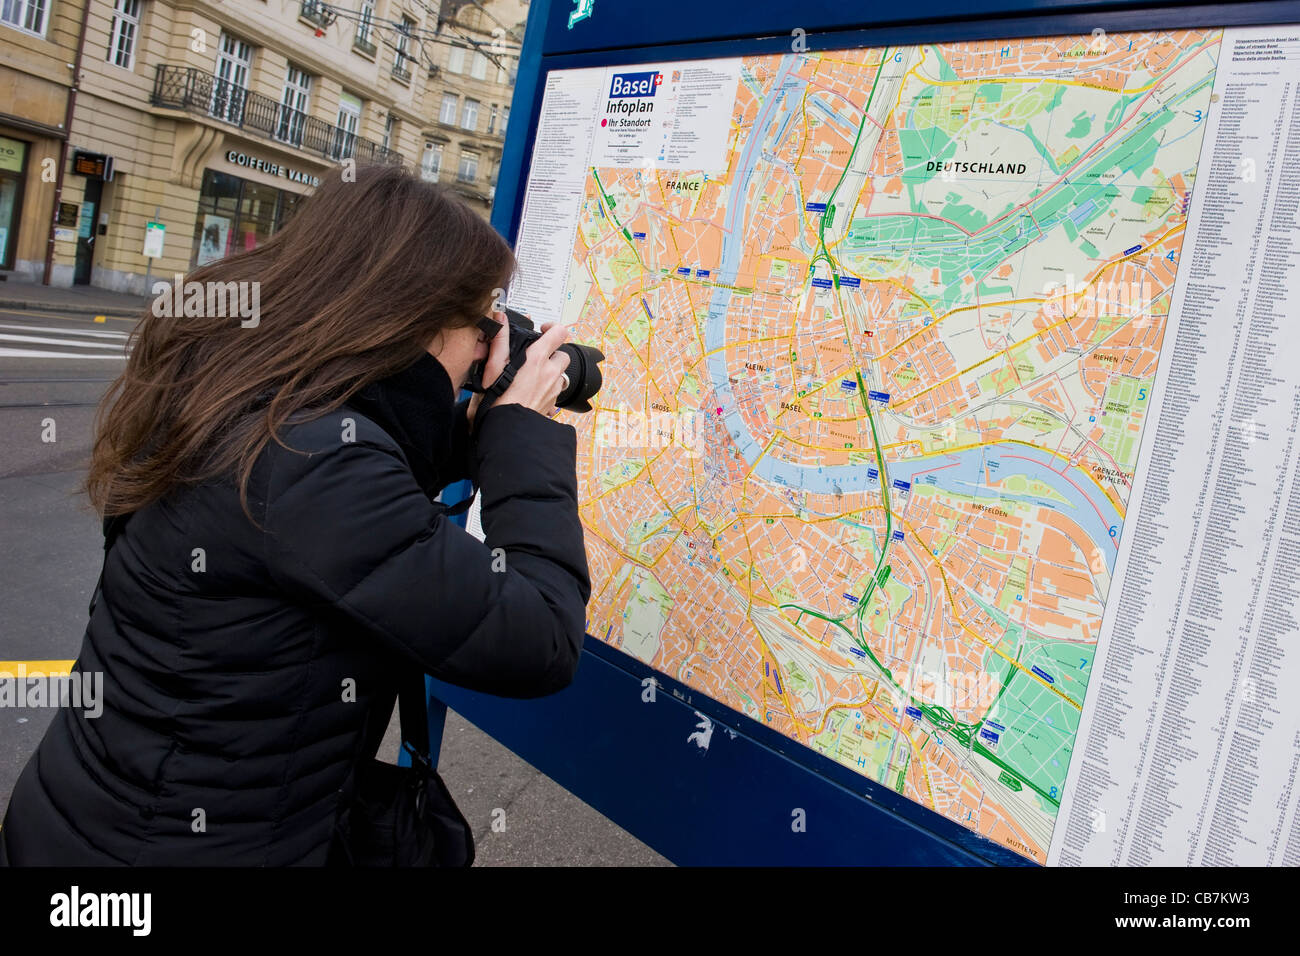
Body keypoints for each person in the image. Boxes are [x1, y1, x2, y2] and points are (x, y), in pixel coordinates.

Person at [0, 164, 591, 865]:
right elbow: (540, 638)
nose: (485, 348)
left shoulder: (235, 387)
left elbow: (357, 491)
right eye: (481, 323)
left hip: (97, 824)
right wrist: (519, 434)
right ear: (419, 321)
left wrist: (468, 427)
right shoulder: (316, 464)